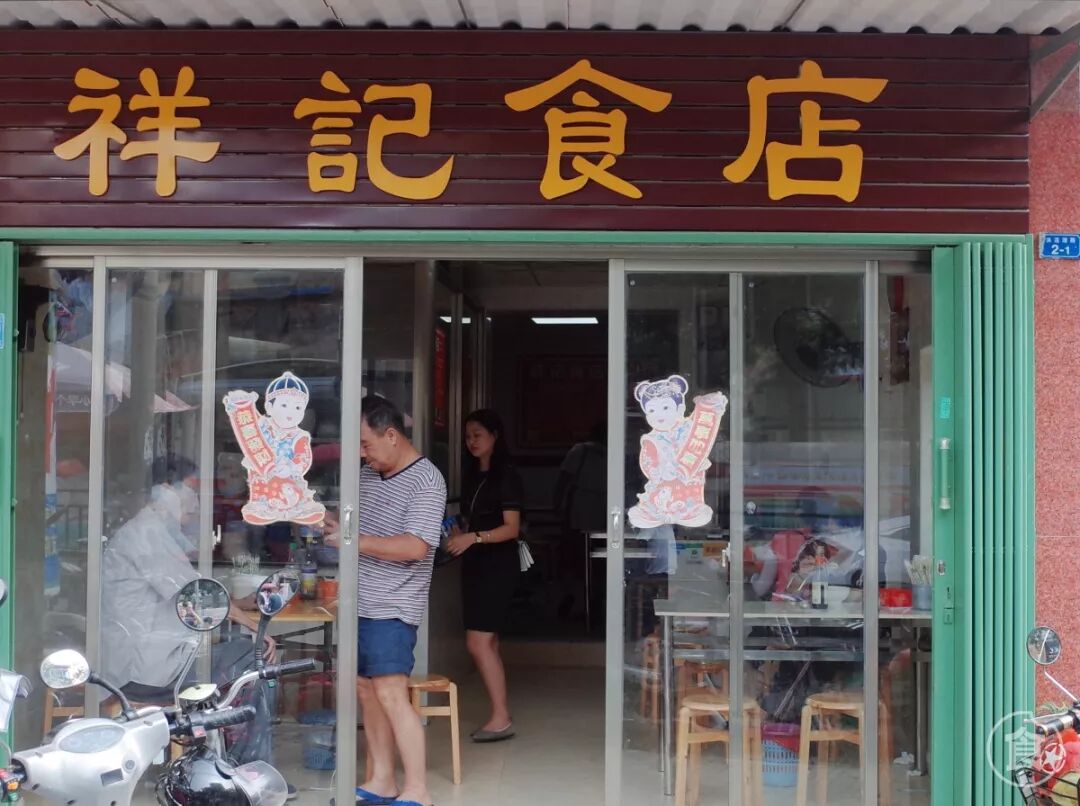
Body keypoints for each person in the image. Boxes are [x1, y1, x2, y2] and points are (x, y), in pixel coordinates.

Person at [99, 455, 281, 775]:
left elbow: (192, 587)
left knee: (237, 654)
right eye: (193, 489)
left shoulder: (154, 530)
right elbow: (199, 597)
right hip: (144, 671)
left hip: (151, 658)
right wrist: (257, 627)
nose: (196, 501)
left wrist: (238, 603)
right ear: (165, 489)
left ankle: (230, 757)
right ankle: (248, 767)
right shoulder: (147, 533)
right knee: (253, 659)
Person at [346, 396, 446, 806]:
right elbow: (359, 531)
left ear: (391, 435)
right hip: (360, 602)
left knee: (390, 692)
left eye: (366, 444)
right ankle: (382, 780)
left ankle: (418, 789)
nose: (362, 454)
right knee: (366, 691)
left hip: (393, 606)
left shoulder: (427, 480)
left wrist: (354, 541)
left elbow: (415, 547)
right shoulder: (369, 475)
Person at [445, 409, 523, 743]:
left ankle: (501, 716)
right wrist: (461, 532)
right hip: (476, 563)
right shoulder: (474, 475)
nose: (471, 442)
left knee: (477, 642)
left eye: (478, 434)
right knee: (487, 641)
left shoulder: (507, 475)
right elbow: (473, 520)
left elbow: (511, 528)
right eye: (467, 436)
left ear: (495, 435)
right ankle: (500, 713)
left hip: (497, 564)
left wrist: (473, 538)